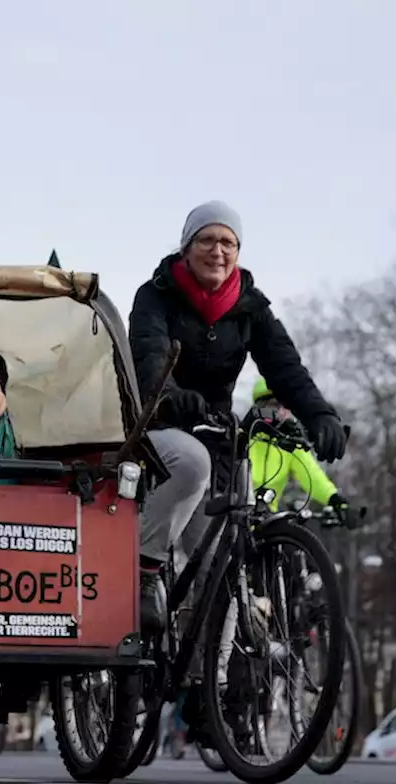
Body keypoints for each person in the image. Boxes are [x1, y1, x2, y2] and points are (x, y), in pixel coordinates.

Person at [128, 201, 348, 636]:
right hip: (158, 425)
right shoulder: (156, 294)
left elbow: (286, 369)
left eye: (228, 242)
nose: (218, 250)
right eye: (207, 240)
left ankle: (209, 684)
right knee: (192, 463)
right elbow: (149, 356)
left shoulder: (250, 309)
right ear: (187, 247)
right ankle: (143, 571)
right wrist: (170, 396)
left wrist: (320, 415)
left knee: (219, 568)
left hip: (217, 434)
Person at [246, 376, 351, 515]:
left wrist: (334, 499)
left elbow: (313, 476)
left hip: (265, 519)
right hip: (235, 515)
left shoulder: (289, 445)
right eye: (272, 406)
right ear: (258, 408)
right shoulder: (245, 439)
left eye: (284, 407)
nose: (280, 412)